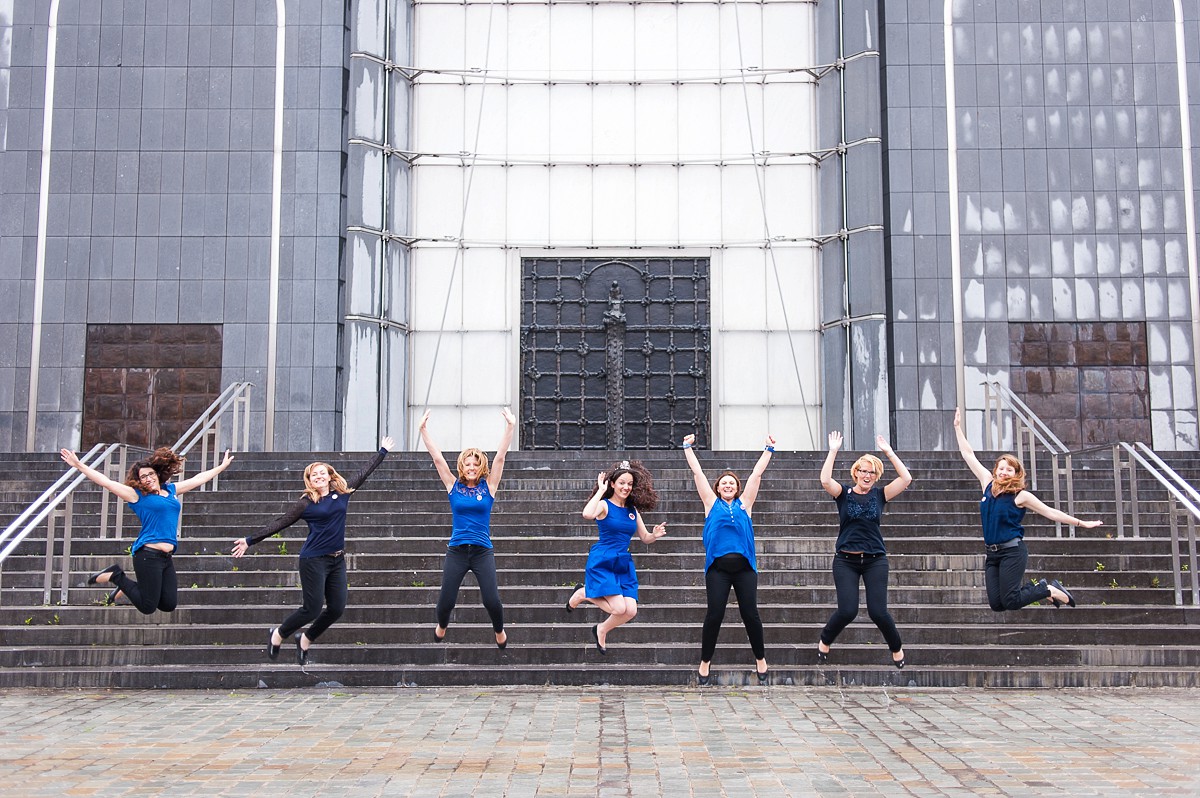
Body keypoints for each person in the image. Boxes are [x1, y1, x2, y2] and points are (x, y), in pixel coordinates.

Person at [231, 437, 393, 665]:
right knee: (312, 608)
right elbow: (280, 522)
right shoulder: (306, 503)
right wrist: (250, 540)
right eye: (313, 475)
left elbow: (363, 473)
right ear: (310, 480)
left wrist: (382, 451)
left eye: (321, 473)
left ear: (329, 476)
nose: (318, 477)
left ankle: (306, 639)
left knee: (337, 608)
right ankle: (278, 634)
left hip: (337, 560)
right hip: (313, 560)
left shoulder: (343, 493)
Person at [954, 407, 1098, 612]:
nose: (1003, 472)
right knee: (997, 604)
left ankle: (1048, 589)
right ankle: (1039, 589)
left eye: (1009, 470)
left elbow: (1050, 512)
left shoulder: (1020, 495)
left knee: (1011, 601)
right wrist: (958, 428)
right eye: (1001, 468)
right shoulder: (987, 482)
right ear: (996, 470)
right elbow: (968, 454)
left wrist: (1081, 522)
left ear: (1015, 474)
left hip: (1012, 551)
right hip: (992, 554)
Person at [61, 446, 234, 614]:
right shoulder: (137, 496)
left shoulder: (171, 490)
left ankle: (128, 587)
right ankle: (116, 575)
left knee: (168, 604)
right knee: (148, 607)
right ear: (139, 480)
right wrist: (78, 465)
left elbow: (198, 479)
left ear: (157, 474)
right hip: (148, 555)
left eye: (151, 474)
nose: (148, 478)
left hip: (166, 557)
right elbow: (107, 483)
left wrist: (222, 466)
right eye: (143, 476)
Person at [680, 432, 774, 686]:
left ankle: (761, 659)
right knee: (714, 615)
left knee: (750, 614)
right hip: (718, 570)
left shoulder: (746, 504)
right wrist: (688, 447)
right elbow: (699, 475)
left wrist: (768, 449)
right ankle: (705, 662)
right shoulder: (711, 504)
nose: (728, 485)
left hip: (744, 569)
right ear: (718, 488)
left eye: (732, 483)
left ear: (737, 488)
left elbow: (756, 475)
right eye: (724, 483)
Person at [419, 408, 515, 649]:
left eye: (475, 464)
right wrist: (423, 430)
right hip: (458, 551)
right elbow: (438, 459)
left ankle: (499, 630)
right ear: (462, 466)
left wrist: (510, 427)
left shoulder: (488, 487)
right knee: (445, 601)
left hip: (482, 550)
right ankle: (441, 626)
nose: (471, 467)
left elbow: (501, 457)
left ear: (480, 466)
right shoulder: (453, 486)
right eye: (467, 463)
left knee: (491, 600)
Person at [817, 431, 912, 669]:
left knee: (878, 612)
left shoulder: (881, 495)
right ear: (855, 472)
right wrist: (833, 451)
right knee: (847, 610)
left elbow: (906, 478)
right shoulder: (844, 494)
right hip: (845, 560)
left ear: (876, 476)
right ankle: (825, 640)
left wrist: (888, 452)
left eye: (872, 472)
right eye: (863, 471)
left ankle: (896, 648)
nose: (867, 475)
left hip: (875, 560)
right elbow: (825, 481)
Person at [566, 460, 667, 654]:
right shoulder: (604, 505)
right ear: (613, 484)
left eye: (629, 484)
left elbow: (645, 537)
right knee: (619, 608)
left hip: (623, 563)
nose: (626, 487)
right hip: (603, 560)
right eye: (622, 483)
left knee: (631, 610)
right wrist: (600, 491)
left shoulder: (632, 510)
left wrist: (654, 535)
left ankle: (601, 629)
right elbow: (587, 514)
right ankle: (583, 594)